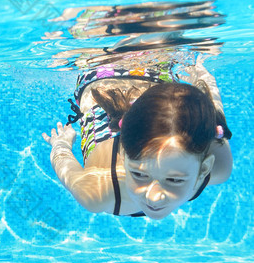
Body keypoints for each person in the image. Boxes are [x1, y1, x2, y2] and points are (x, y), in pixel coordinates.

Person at [43, 58, 232, 219]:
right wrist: (60, 143)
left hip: (104, 76)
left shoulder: (217, 165)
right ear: (123, 156)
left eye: (174, 180)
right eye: (139, 174)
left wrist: (62, 144)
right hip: (140, 76)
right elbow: (212, 113)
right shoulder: (101, 191)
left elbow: (213, 117)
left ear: (204, 168)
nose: (154, 197)